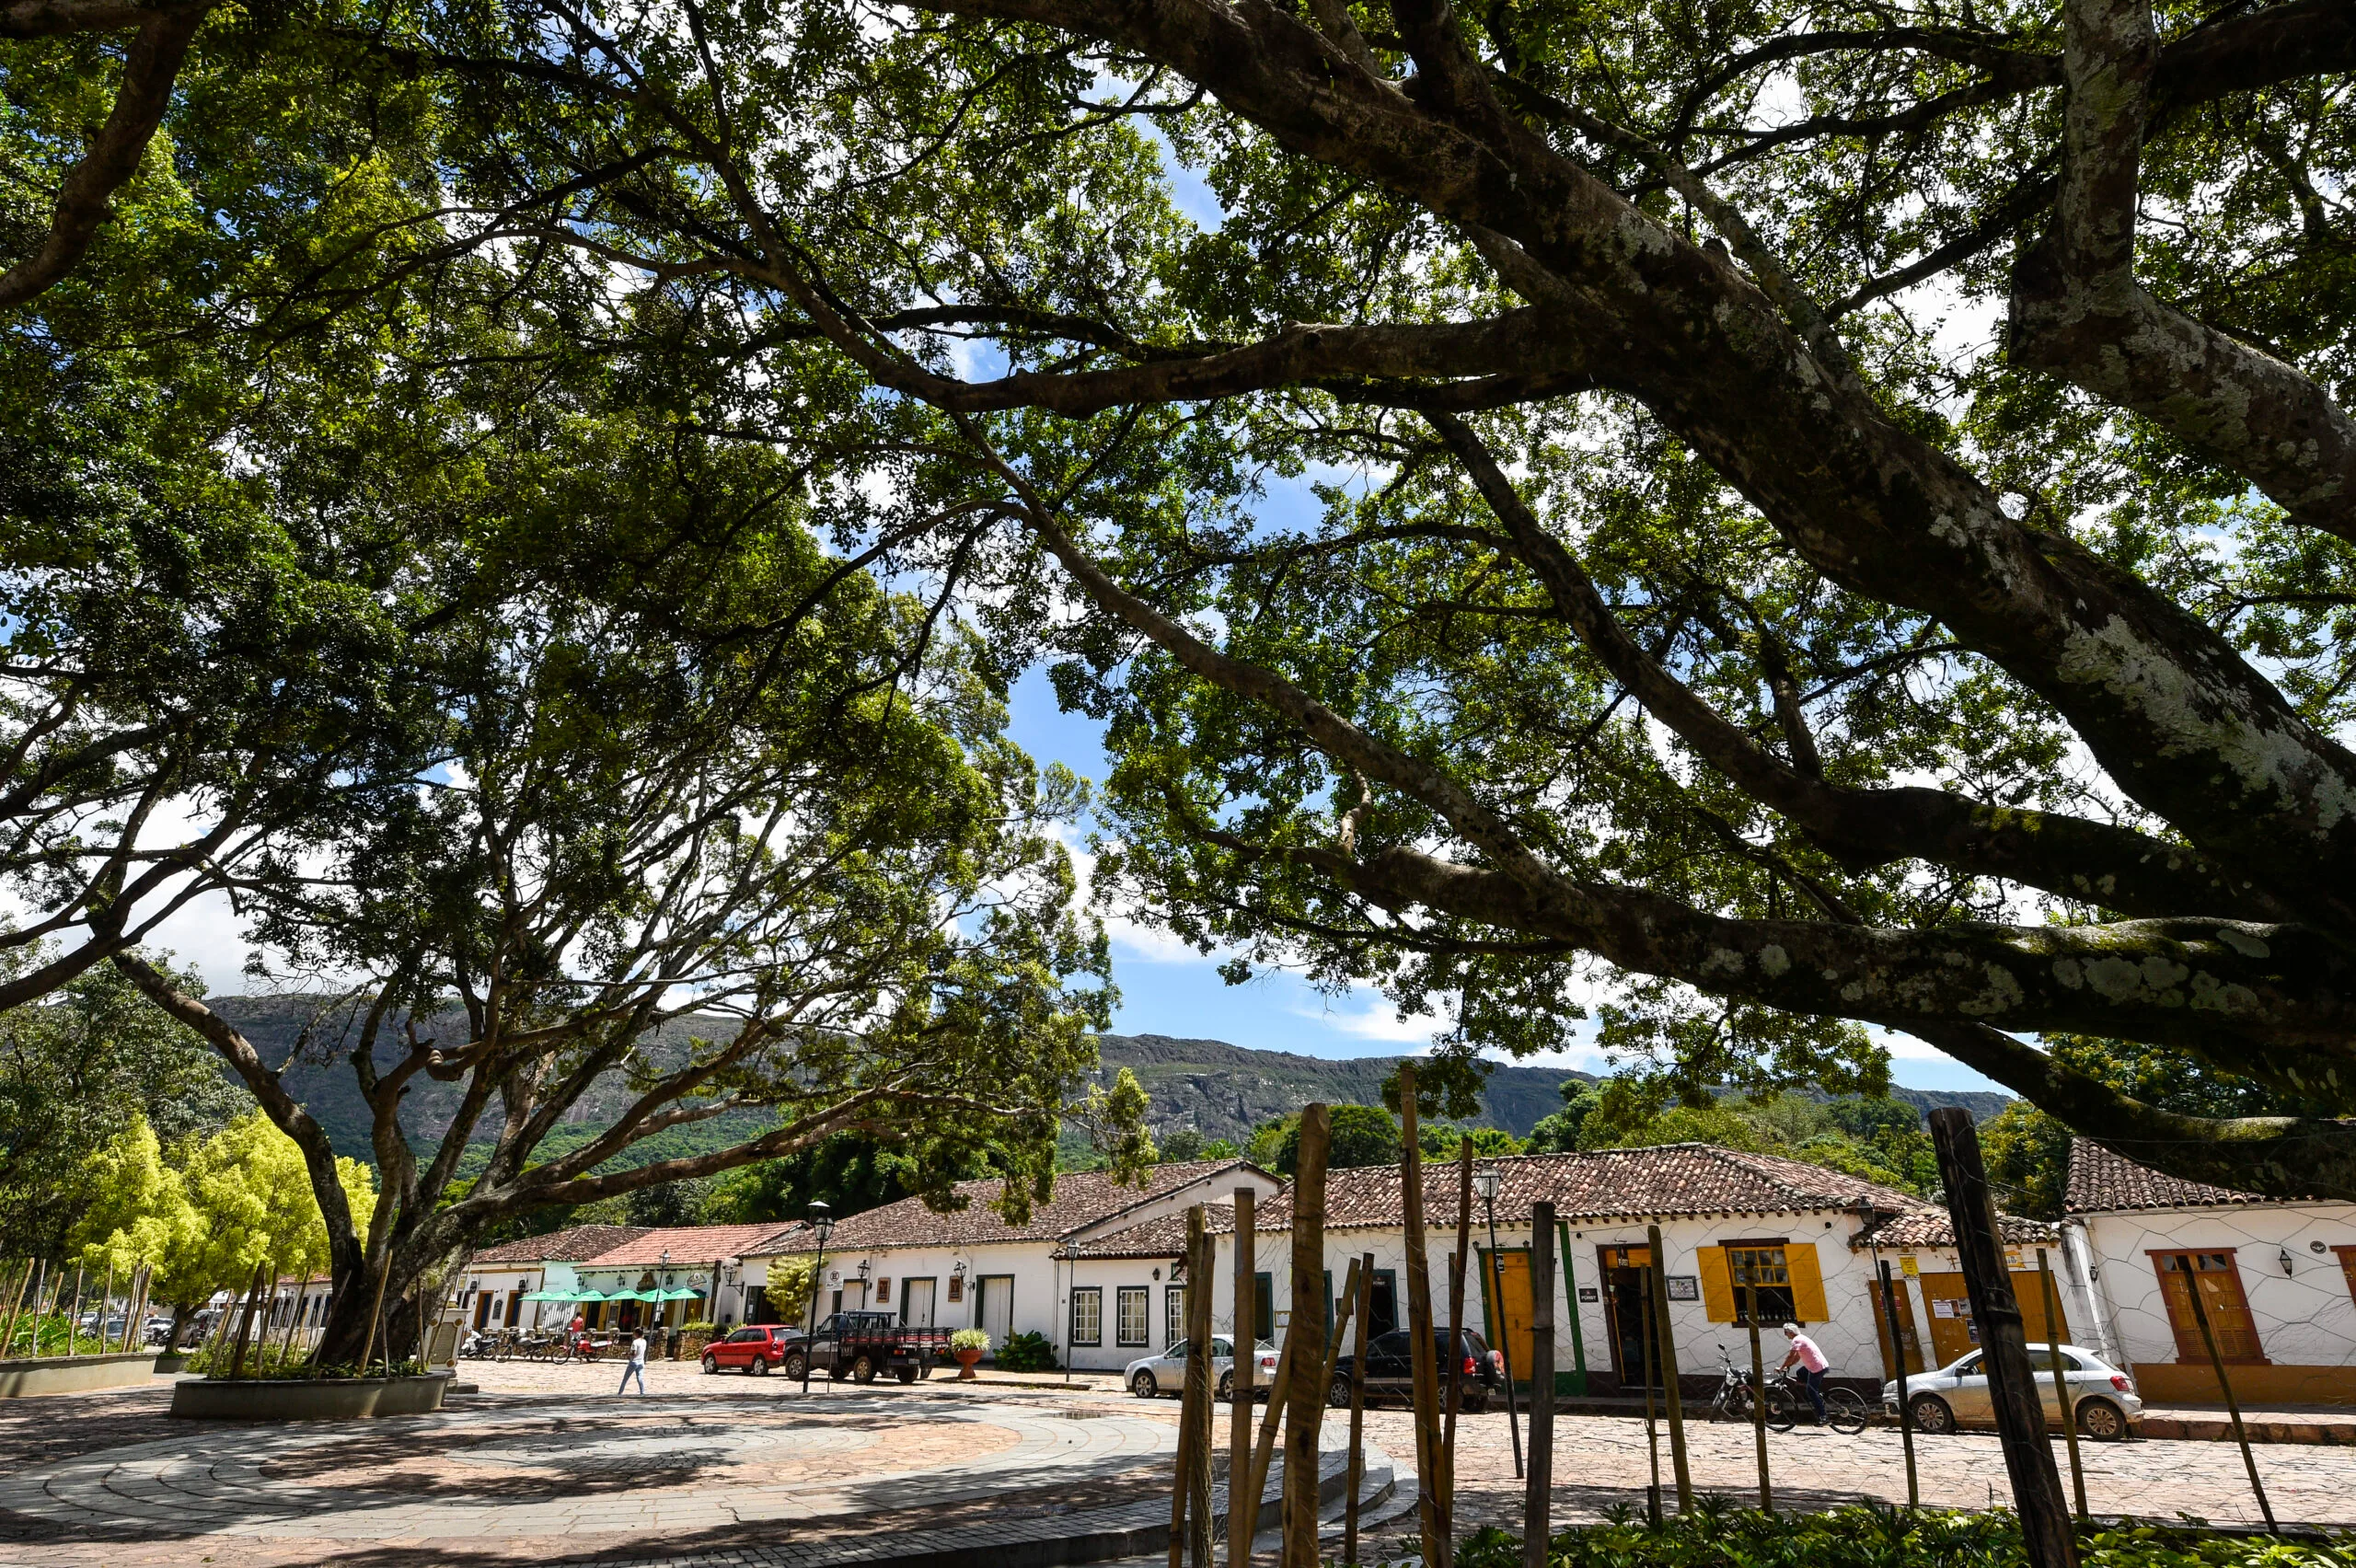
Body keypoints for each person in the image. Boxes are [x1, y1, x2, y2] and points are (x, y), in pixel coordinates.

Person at [1777, 1321, 1829, 1424]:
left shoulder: (1796, 1340)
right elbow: (1796, 1357)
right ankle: (1816, 1394)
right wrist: (1788, 1366)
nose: (1785, 1335)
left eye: (1786, 1332)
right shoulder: (1802, 1338)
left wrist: (1781, 1367)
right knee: (1800, 1373)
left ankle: (1823, 1417)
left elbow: (1791, 1356)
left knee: (1810, 1391)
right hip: (1818, 1366)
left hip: (1816, 1368)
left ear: (1790, 1332)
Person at [618, 1329, 648, 1395]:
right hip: (641, 1362)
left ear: (637, 1334)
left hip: (634, 1362)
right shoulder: (644, 1341)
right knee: (640, 1378)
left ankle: (620, 1392)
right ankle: (642, 1392)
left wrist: (626, 1354)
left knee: (625, 1378)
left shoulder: (635, 1342)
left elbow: (633, 1353)